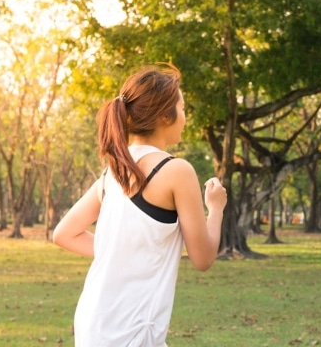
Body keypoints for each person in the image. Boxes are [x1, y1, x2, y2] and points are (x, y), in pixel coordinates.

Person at [52, 64, 227, 347]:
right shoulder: (176, 171)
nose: (185, 118)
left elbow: (64, 234)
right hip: (131, 328)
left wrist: (120, 252)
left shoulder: (113, 172)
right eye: (182, 109)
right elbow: (203, 258)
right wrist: (216, 208)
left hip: (94, 321)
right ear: (164, 116)